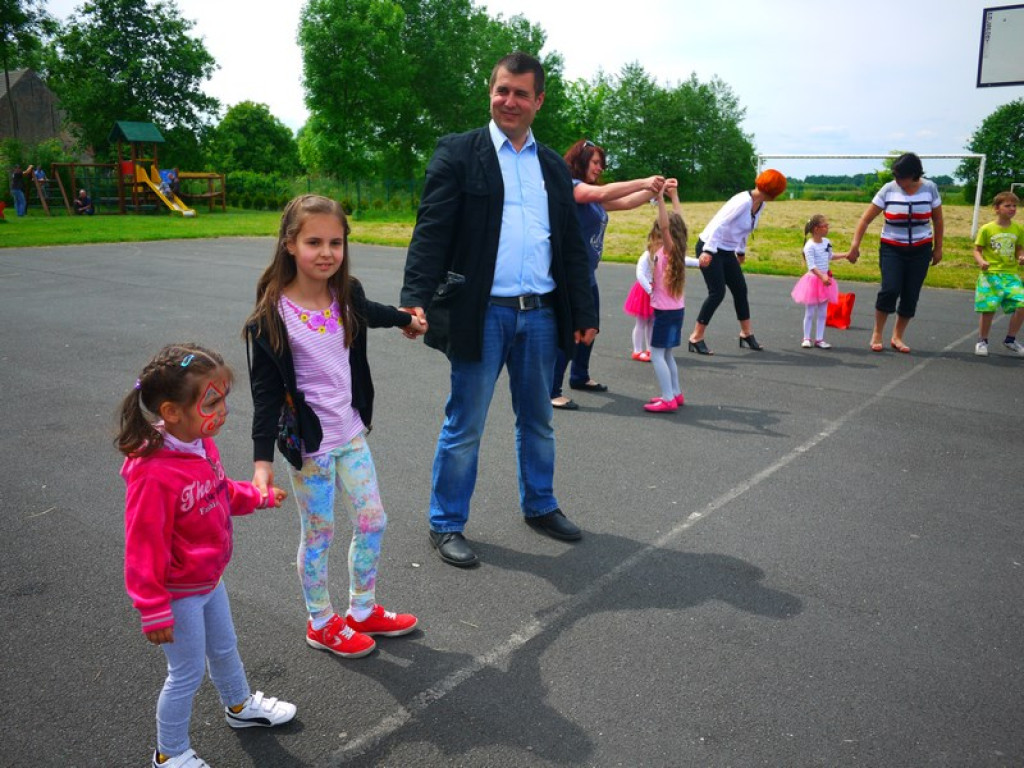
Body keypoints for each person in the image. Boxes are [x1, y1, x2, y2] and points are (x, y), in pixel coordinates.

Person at [400, 52, 599, 568]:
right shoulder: (459, 154)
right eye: (501, 90)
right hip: (481, 314)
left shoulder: (552, 166)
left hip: (540, 315)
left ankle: (540, 505)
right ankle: (445, 524)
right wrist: (414, 297)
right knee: (465, 423)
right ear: (491, 92)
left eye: (520, 93)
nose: (509, 101)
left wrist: (584, 312)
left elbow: (571, 248)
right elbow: (431, 232)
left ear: (539, 100)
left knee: (537, 421)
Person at [246, 194, 421, 659]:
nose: (326, 252)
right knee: (319, 533)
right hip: (311, 447)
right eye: (314, 242)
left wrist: (408, 320)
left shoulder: (347, 295)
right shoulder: (271, 318)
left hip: (351, 433)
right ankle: (321, 620)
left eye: (336, 242)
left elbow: (375, 313)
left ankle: (362, 609)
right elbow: (264, 396)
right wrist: (262, 462)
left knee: (373, 520)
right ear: (289, 245)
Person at [117, 343, 297, 768]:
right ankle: (169, 752)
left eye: (223, 399)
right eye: (211, 401)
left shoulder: (198, 445)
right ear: (172, 411)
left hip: (208, 579)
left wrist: (256, 496)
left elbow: (218, 491)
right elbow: (143, 545)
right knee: (185, 675)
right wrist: (153, 608)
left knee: (225, 647)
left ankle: (239, 706)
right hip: (178, 592)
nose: (222, 409)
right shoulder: (154, 474)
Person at [549, 139, 664, 410]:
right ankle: (551, 390)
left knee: (591, 326)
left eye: (602, 164)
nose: (600, 168)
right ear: (581, 160)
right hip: (569, 275)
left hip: (586, 273)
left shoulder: (594, 197)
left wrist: (654, 191)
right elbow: (603, 194)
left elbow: (624, 202)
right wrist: (643, 181)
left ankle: (579, 375)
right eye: (596, 162)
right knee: (570, 332)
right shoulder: (573, 188)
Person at [848, 152, 943, 354]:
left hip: (921, 249)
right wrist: (855, 245)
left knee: (911, 294)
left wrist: (939, 247)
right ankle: (877, 333)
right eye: (896, 176)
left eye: (902, 177)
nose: (898, 180)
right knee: (890, 289)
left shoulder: (930, 188)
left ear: (914, 174)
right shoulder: (888, 189)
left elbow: (938, 220)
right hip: (892, 247)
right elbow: (865, 219)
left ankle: (897, 337)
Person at [687, 169, 788, 355]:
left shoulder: (760, 204)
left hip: (727, 250)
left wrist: (740, 251)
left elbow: (745, 229)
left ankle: (746, 334)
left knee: (740, 289)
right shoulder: (742, 201)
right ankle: (696, 337)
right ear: (772, 192)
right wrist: (708, 251)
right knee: (717, 292)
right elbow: (720, 224)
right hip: (711, 246)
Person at [644, 179, 689, 413]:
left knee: (656, 355)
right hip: (676, 310)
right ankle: (676, 393)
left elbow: (665, 225)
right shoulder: (679, 249)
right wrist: (674, 196)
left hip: (666, 312)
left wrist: (661, 198)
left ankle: (668, 397)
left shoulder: (669, 250)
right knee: (668, 354)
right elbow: (677, 221)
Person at [971, 191, 1024, 357]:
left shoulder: (1018, 228)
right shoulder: (987, 229)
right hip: (991, 275)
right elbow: (977, 250)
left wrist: (1021, 257)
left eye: (1014, 206)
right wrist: (981, 262)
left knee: (1022, 304)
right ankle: (982, 341)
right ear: (996, 208)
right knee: (989, 309)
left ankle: (1010, 339)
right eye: (1007, 205)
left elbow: (1019, 249)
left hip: (1011, 275)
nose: (1012, 209)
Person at [791, 214, 849, 349]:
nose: (827, 228)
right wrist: (822, 277)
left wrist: (845, 255)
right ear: (816, 229)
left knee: (823, 313)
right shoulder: (809, 246)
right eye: (825, 226)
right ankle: (806, 338)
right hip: (813, 281)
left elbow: (830, 256)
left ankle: (819, 339)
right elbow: (811, 266)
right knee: (810, 312)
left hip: (825, 280)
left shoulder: (827, 242)